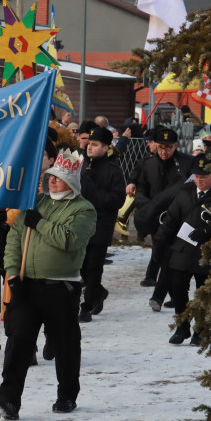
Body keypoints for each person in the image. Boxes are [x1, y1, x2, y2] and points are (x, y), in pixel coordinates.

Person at [0, 149, 97, 419]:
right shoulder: (35, 202)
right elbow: (14, 240)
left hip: (61, 288)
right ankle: (8, 399)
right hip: (26, 286)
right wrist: (13, 274)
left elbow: (69, 240)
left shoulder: (84, 210)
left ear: (71, 181)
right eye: (50, 176)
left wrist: (39, 224)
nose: (52, 181)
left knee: (65, 344)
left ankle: (67, 396)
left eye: (59, 178)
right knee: (19, 341)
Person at [154, 154, 211, 345]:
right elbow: (171, 219)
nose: (200, 181)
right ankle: (182, 327)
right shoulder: (185, 192)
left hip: (207, 252)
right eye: (197, 177)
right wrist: (159, 242)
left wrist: (208, 231)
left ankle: (201, 330)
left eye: (204, 177)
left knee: (204, 292)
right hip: (183, 249)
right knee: (178, 289)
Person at [126, 126, 191, 307]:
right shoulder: (148, 163)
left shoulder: (186, 163)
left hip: (178, 218)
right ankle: (172, 295)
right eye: (161, 147)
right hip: (157, 219)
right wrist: (147, 208)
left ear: (175, 146)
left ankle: (159, 297)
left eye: (168, 148)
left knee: (174, 258)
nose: (164, 151)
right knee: (163, 257)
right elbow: (141, 190)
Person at [77, 125, 125, 322]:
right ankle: (98, 292)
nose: (90, 148)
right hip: (80, 225)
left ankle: (87, 306)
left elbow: (117, 199)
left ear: (106, 148)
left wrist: (93, 192)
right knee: (80, 267)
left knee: (94, 267)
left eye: (95, 145)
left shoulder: (114, 170)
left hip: (101, 226)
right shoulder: (80, 166)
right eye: (89, 144)